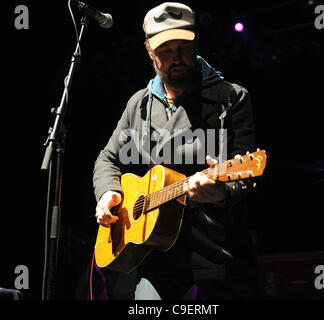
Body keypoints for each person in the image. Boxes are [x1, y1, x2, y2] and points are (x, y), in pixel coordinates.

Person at [93, 2, 260, 300]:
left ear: (195, 42)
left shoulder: (230, 98)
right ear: (149, 50)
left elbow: (246, 169)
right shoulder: (139, 105)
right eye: (165, 51)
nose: (176, 58)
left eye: (182, 47)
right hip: (154, 260)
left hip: (215, 256)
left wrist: (223, 192)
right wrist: (108, 192)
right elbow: (108, 158)